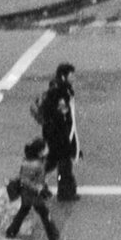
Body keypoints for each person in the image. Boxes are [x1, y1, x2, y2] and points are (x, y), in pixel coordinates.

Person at [34, 64, 81, 202]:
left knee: (53, 161)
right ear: (63, 76)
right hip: (57, 134)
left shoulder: (63, 90)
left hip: (56, 133)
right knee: (63, 163)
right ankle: (65, 193)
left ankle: (33, 182)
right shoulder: (59, 92)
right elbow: (59, 116)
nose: (74, 78)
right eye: (71, 75)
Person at [4, 139, 61, 240]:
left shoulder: (34, 161)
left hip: (29, 194)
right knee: (44, 214)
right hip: (32, 195)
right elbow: (25, 180)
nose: (47, 150)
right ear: (40, 151)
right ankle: (54, 238)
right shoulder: (34, 165)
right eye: (45, 149)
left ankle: (11, 231)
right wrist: (39, 189)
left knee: (24, 211)